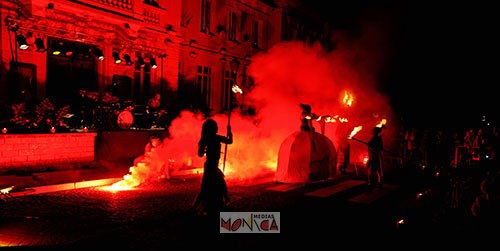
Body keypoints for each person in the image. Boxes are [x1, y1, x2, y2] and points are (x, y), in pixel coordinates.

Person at [192, 118, 232, 216]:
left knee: (218, 185)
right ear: (212, 129)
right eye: (215, 127)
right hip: (210, 166)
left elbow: (229, 141)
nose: (217, 128)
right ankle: (195, 207)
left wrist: (229, 132)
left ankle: (224, 202)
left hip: (213, 165)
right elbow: (200, 154)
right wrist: (205, 150)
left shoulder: (210, 138)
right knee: (209, 187)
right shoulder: (212, 138)